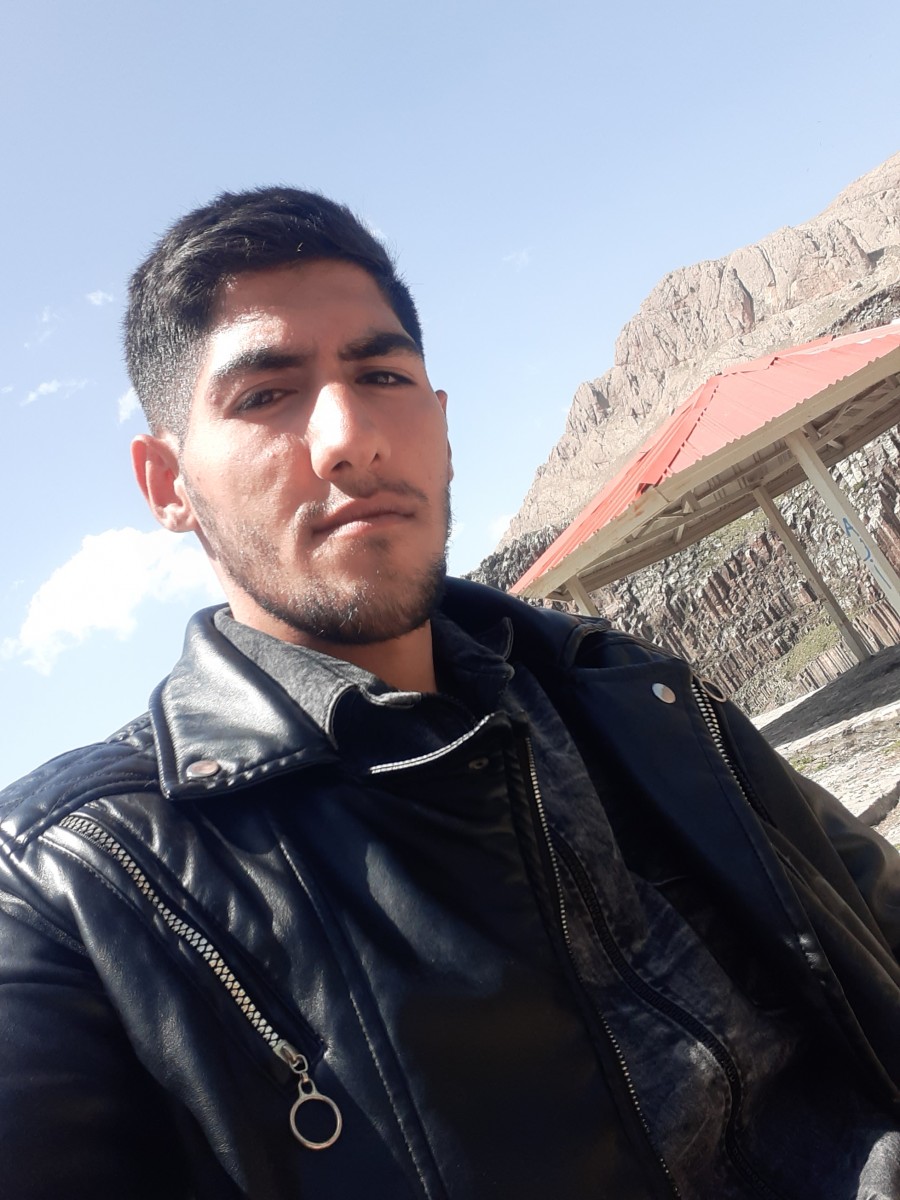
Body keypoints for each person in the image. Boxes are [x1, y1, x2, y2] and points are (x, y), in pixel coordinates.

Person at [1, 187, 898, 1200]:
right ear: (168, 483)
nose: (349, 436)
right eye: (264, 396)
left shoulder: (623, 690)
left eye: (381, 375)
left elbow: (872, 912)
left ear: (441, 425)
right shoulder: (76, 886)